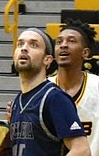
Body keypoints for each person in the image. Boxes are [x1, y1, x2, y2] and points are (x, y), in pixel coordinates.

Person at [5, 28, 88, 156]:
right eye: (20, 44)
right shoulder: (17, 102)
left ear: (47, 59)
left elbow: (82, 150)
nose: (24, 48)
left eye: (34, 45)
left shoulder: (54, 97)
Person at [50, 19, 99, 154]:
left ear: (85, 52)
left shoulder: (97, 87)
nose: (63, 45)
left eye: (71, 41)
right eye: (59, 42)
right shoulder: (43, 89)